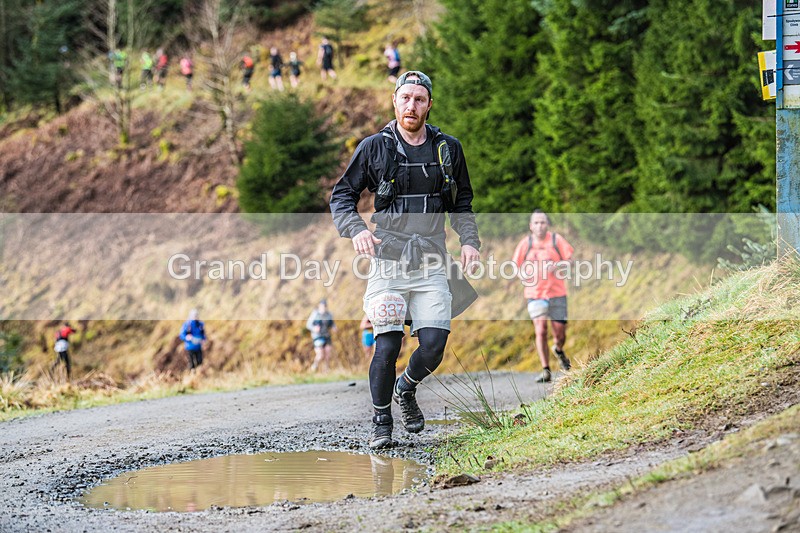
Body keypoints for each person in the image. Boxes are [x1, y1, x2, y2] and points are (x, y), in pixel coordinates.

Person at [330, 70, 481, 449]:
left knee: (433, 344)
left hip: (432, 261)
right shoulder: (374, 148)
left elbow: (462, 202)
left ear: (429, 104)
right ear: (394, 101)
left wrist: (470, 242)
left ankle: (406, 388)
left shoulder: (449, 149)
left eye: (419, 99)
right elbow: (342, 196)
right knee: (388, 345)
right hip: (389, 261)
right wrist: (357, 229)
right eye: (405, 98)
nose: (411, 105)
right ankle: (382, 421)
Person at [512, 209, 574, 383]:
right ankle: (546, 370)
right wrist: (522, 275)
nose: (540, 226)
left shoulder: (556, 240)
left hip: (557, 293)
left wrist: (558, 265)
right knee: (540, 330)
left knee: (560, 334)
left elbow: (570, 261)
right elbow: (516, 265)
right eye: (536, 223)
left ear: (547, 225)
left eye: (543, 222)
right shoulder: (526, 244)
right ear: (531, 226)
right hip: (535, 294)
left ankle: (558, 349)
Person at [307, 300, 336, 372]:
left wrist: (334, 327)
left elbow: (332, 323)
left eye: (325, 306)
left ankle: (326, 370)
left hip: (326, 336)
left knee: (327, 353)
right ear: (319, 306)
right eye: (322, 306)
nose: (324, 308)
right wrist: (314, 328)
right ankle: (314, 366)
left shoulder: (329, 314)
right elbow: (308, 325)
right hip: (317, 336)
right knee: (320, 354)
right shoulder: (315, 314)